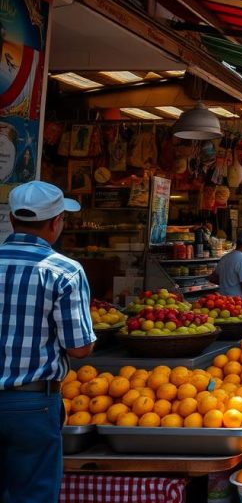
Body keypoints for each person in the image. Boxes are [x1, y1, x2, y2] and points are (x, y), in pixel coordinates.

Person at [0, 181, 94, 501]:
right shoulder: (64, 271)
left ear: (12, 220)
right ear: (56, 223)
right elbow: (79, 348)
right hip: (31, 406)